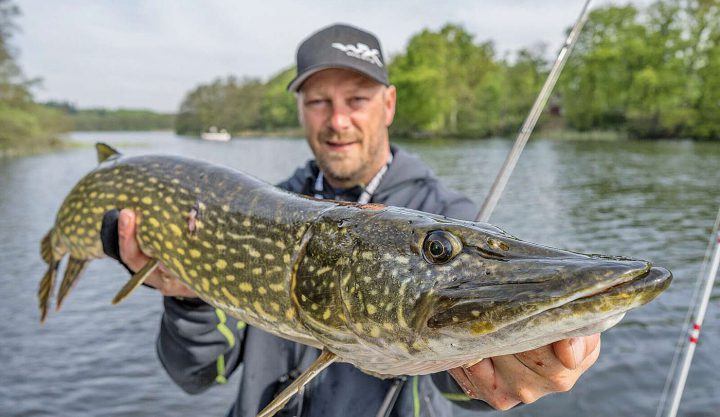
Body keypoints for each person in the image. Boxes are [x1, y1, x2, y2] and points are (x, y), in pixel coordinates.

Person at [102, 23, 601, 416]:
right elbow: (199, 376)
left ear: (388, 104)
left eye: (356, 99)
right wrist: (186, 298)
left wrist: (501, 370)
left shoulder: (447, 216)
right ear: (301, 111)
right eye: (319, 101)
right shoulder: (260, 212)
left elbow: (458, 384)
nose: (337, 120)